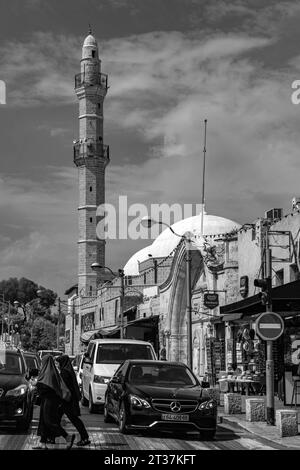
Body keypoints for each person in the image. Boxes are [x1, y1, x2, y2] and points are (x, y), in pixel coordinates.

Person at [33, 355, 75, 450]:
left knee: (49, 421)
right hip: (47, 400)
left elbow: (46, 387)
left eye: (42, 361)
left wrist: (36, 384)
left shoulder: (49, 372)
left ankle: (67, 437)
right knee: (44, 421)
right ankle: (42, 443)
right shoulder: (49, 371)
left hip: (50, 400)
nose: (41, 363)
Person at [56, 354, 90, 447]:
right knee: (58, 419)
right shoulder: (68, 371)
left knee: (72, 420)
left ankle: (84, 438)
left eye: (59, 363)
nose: (58, 365)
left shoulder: (64, 373)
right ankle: (52, 437)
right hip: (69, 400)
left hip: (67, 401)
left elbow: (63, 388)